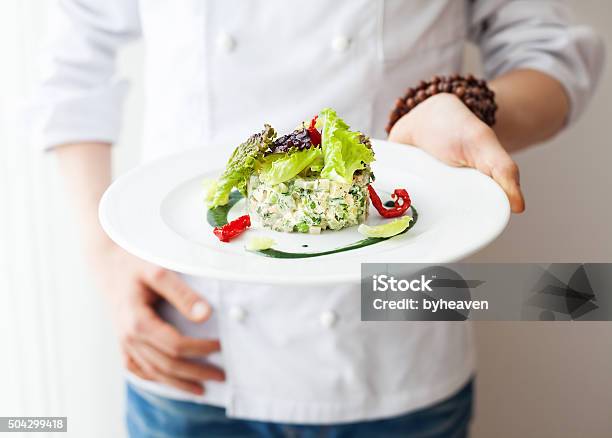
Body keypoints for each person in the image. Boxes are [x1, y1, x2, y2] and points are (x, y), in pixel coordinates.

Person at [31, 0, 603, 436]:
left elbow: (552, 56)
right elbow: (72, 69)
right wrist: (106, 260)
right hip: (190, 349)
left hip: (398, 354)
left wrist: (466, 106)